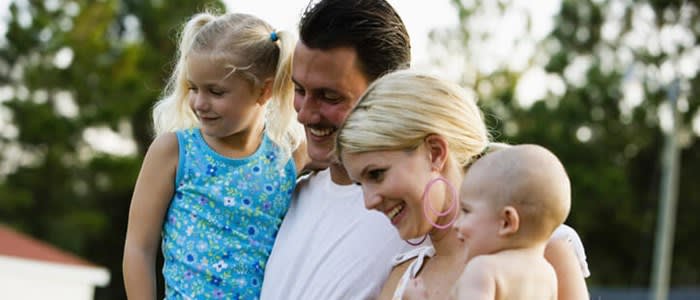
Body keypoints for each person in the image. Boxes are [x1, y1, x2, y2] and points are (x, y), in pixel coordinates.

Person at [336, 70, 590, 299]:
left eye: (377, 174)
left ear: (435, 152)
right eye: (360, 184)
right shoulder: (402, 280)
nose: (369, 202)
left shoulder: (543, 251)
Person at [122, 11, 306, 299]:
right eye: (193, 88)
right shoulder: (173, 151)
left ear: (264, 90)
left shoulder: (290, 156)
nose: (198, 103)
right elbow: (138, 247)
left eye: (216, 92)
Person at [259, 0, 413, 299]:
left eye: (329, 97)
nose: (304, 114)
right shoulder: (288, 193)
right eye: (300, 90)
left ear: (390, 90)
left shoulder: (416, 214)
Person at [402, 144, 573, 300]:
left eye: (467, 211)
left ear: (506, 222)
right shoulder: (548, 275)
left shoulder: (482, 270)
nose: (456, 224)